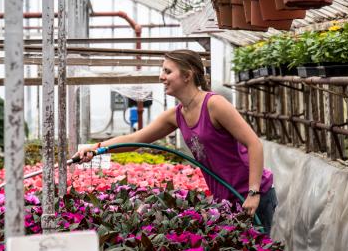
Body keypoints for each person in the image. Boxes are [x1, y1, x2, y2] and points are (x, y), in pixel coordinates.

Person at [75, 49, 277, 235]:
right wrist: (98, 148)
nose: (161, 77)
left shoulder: (214, 105)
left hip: (250, 194)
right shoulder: (177, 115)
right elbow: (136, 139)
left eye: (167, 71)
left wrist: (254, 192)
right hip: (225, 198)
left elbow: (254, 144)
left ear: (187, 75)